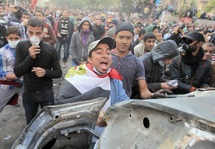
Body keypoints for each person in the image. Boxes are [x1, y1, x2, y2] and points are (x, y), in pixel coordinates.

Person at [14, 17, 62, 124]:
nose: (34, 36)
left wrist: (46, 72)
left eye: (37, 33)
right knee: (31, 123)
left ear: (43, 34)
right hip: (29, 91)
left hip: (46, 92)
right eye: (31, 33)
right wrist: (30, 57)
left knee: (49, 123)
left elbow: (58, 73)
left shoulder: (50, 49)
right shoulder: (21, 46)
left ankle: (48, 141)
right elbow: (17, 72)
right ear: (27, 32)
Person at [111, 22, 171, 99]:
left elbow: (144, 91)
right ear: (115, 37)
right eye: (121, 37)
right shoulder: (106, 58)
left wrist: (153, 95)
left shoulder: (137, 62)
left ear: (133, 38)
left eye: (128, 38)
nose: (124, 41)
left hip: (125, 104)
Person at [0, 26, 23, 112]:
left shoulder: (24, 49)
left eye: (16, 38)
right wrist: (18, 75)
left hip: (23, 84)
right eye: (11, 38)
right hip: (7, 85)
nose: (13, 41)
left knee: (30, 104)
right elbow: (1, 74)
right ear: (7, 38)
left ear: (20, 38)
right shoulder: (2, 52)